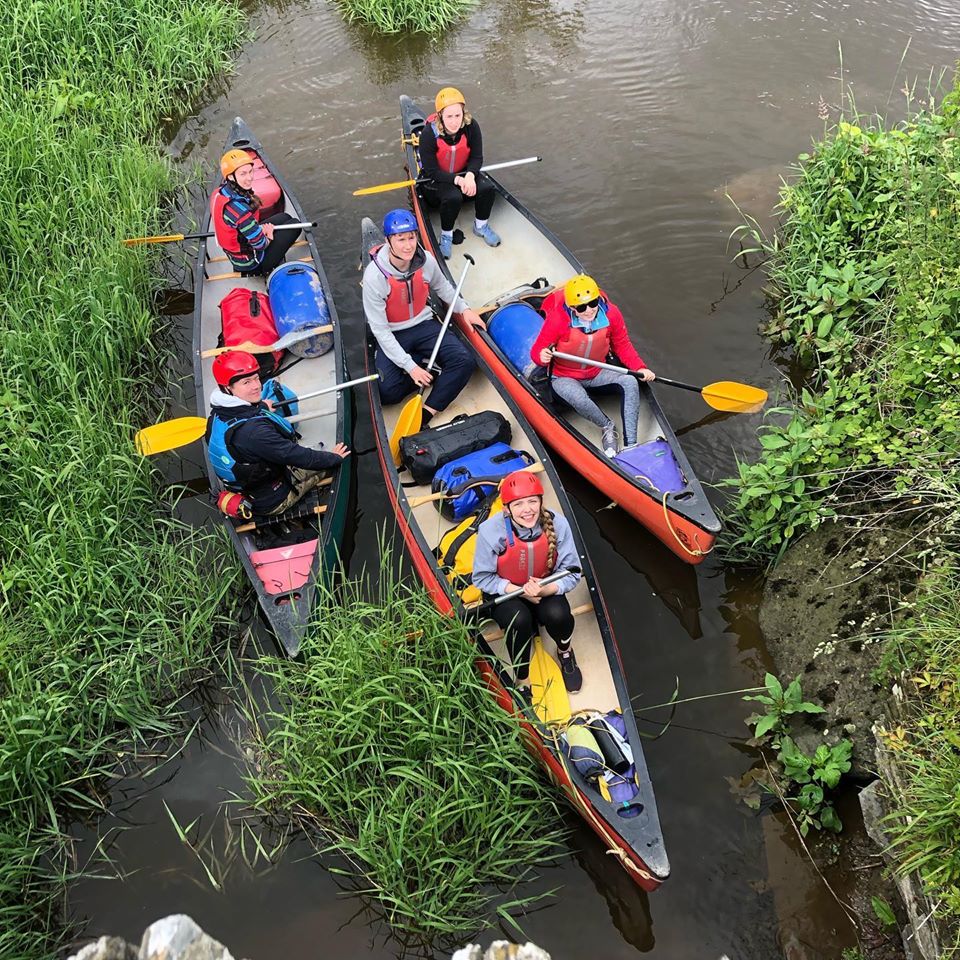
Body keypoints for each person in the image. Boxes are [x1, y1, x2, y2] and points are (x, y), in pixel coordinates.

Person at [362, 208, 486, 425]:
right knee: (386, 392)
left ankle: (426, 413)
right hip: (393, 332)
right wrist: (410, 367)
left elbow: (443, 288)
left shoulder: (426, 260)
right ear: (388, 241)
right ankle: (426, 365)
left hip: (424, 324)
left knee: (464, 361)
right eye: (401, 239)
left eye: (411, 238)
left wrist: (464, 309)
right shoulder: (374, 276)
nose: (408, 246)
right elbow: (380, 330)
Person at [471, 471, 583, 692]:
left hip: (543, 586)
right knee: (519, 620)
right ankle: (522, 678)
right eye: (518, 504)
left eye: (532, 501)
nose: (527, 509)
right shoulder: (490, 531)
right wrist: (520, 591)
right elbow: (482, 578)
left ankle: (565, 651)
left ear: (541, 501)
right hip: (506, 592)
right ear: (507, 508)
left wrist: (544, 590)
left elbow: (571, 572)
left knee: (558, 615)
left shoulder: (558, 524)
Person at [205, 350, 350, 516]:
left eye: (256, 378)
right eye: (246, 382)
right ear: (227, 388)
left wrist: (262, 407)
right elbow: (297, 456)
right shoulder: (255, 433)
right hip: (274, 500)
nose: (256, 386)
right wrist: (334, 458)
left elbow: (243, 416)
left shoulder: (216, 414)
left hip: (249, 488)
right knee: (330, 464)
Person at [530, 274, 656, 458]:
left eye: (593, 303)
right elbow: (536, 351)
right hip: (564, 376)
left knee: (630, 382)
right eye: (581, 307)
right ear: (572, 307)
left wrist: (640, 368)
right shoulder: (558, 320)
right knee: (579, 398)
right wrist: (542, 356)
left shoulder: (612, 314)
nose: (589, 311)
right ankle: (607, 426)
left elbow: (622, 345)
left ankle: (631, 445)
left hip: (597, 372)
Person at [418, 87, 500, 259]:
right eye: (449, 116)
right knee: (453, 197)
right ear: (440, 116)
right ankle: (446, 235)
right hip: (436, 180)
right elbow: (432, 171)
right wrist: (457, 180)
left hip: (463, 173)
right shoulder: (428, 135)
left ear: (463, 113)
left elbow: (476, 157)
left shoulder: (471, 127)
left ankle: (481, 226)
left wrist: (470, 175)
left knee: (487, 188)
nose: (454, 121)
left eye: (458, 115)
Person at [209, 149, 301, 276]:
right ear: (230, 176)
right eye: (243, 174)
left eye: (250, 171)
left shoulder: (221, 192)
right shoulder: (239, 212)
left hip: (241, 248)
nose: (249, 178)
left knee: (285, 217)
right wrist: (268, 235)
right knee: (296, 225)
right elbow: (261, 245)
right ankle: (266, 268)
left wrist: (259, 231)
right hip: (252, 263)